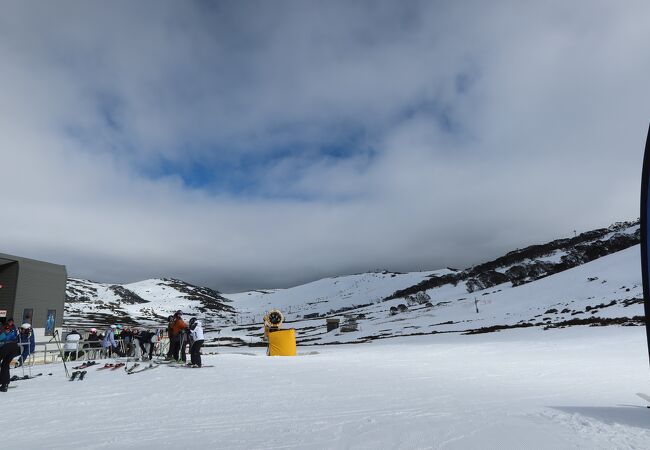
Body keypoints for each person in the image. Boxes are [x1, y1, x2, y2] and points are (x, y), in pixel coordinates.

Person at [0, 322, 20, 392]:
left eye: (8, 329)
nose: (6, 330)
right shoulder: (5, 333)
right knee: (5, 365)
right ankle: (4, 382)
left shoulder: (5, 334)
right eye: (6, 329)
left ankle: (4, 383)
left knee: (4, 365)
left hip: (7, 349)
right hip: (13, 349)